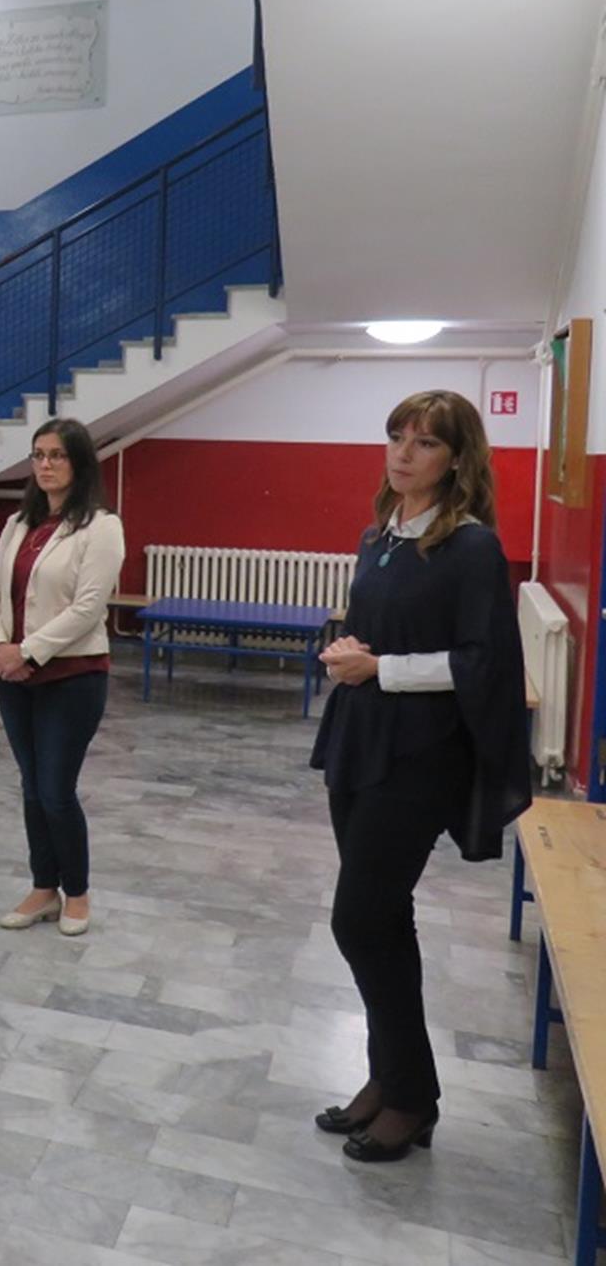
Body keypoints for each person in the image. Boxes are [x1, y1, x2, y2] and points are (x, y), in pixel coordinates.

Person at [310, 390, 530, 1163]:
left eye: (425, 442)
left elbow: (483, 661)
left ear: (457, 459)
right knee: (381, 919)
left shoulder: (471, 547)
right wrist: (349, 651)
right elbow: (379, 627)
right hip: (362, 736)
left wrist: (383, 668)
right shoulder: (380, 535)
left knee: (359, 917)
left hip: (422, 752)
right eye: (396, 435)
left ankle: (411, 1096)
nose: (403, 452)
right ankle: (391, 1079)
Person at [0, 417, 124, 940]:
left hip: (72, 677)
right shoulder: (18, 523)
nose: (45, 465)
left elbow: (88, 608)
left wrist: (27, 651)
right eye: (38, 455)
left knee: (56, 789)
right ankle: (44, 888)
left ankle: (77, 893)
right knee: (31, 787)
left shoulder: (101, 526)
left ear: (78, 463)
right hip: (14, 676)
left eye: (57, 455)